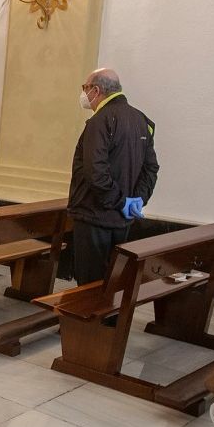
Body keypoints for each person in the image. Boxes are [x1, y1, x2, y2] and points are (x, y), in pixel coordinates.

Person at [67, 68, 159, 284]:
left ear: (96, 90)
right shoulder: (141, 120)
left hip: (94, 215)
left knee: (90, 283)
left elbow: (95, 172)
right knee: (113, 280)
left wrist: (121, 201)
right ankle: (111, 318)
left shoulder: (100, 121)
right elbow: (151, 168)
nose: (83, 93)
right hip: (123, 219)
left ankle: (89, 318)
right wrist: (137, 200)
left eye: (85, 88)